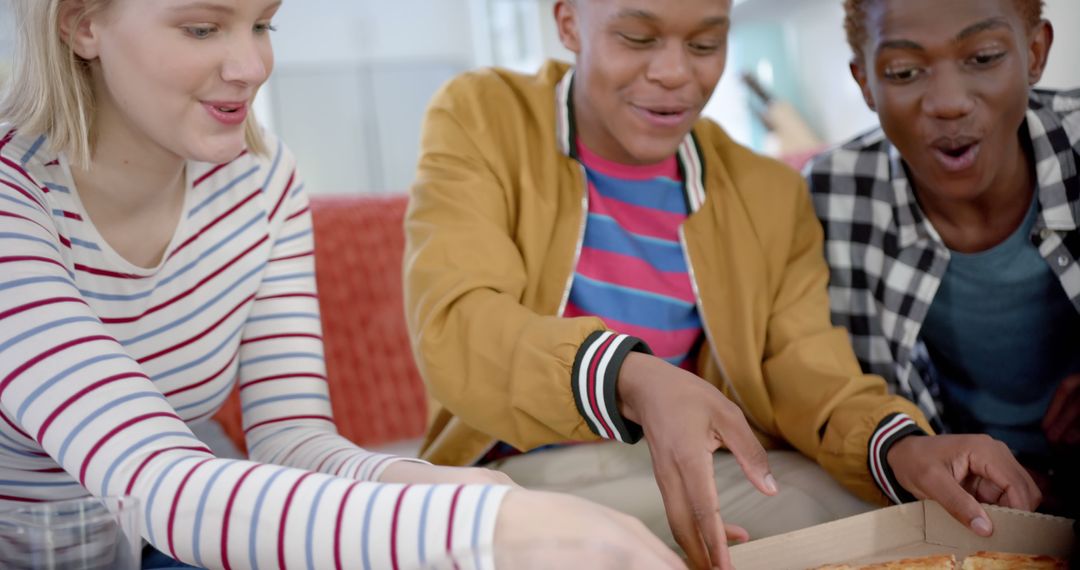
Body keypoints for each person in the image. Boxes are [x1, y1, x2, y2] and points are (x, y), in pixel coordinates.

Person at [0, 1, 684, 568]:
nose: (252, 67)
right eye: (203, 28)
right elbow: (157, 484)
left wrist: (441, 486)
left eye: (264, 24)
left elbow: (293, 441)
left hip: (153, 543)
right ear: (81, 23)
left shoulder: (262, 184)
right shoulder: (13, 198)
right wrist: (486, 524)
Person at [403, 0, 1042, 567]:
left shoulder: (765, 191)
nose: (677, 72)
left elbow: (806, 369)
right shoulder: (483, 115)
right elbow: (458, 319)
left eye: (706, 43)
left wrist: (899, 444)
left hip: (712, 473)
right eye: (637, 38)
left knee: (879, 533)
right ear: (568, 21)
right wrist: (630, 377)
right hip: (521, 470)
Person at [807, 0, 1078, 517]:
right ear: (865, 82)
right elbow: (818, 385)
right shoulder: (830, 196)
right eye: (905, 72)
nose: (949, 102)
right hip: (957, 508)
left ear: (1036, 51)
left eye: (984, 57)